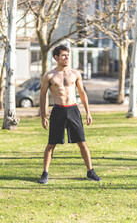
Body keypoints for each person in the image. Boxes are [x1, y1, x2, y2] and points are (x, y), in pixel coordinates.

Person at [39, 44, 101, 184]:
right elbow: (42, 96)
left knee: (82, 143)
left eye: (68, 55)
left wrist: (88, 112)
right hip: (58, 110)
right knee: (51, 144)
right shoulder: (49, 76)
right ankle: (45, 174)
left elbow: (82, 93)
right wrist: (43, 116)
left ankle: (90, 172)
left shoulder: (75, 74)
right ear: (56, 57)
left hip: (73, 110)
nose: (67, 58)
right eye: (64, 55)